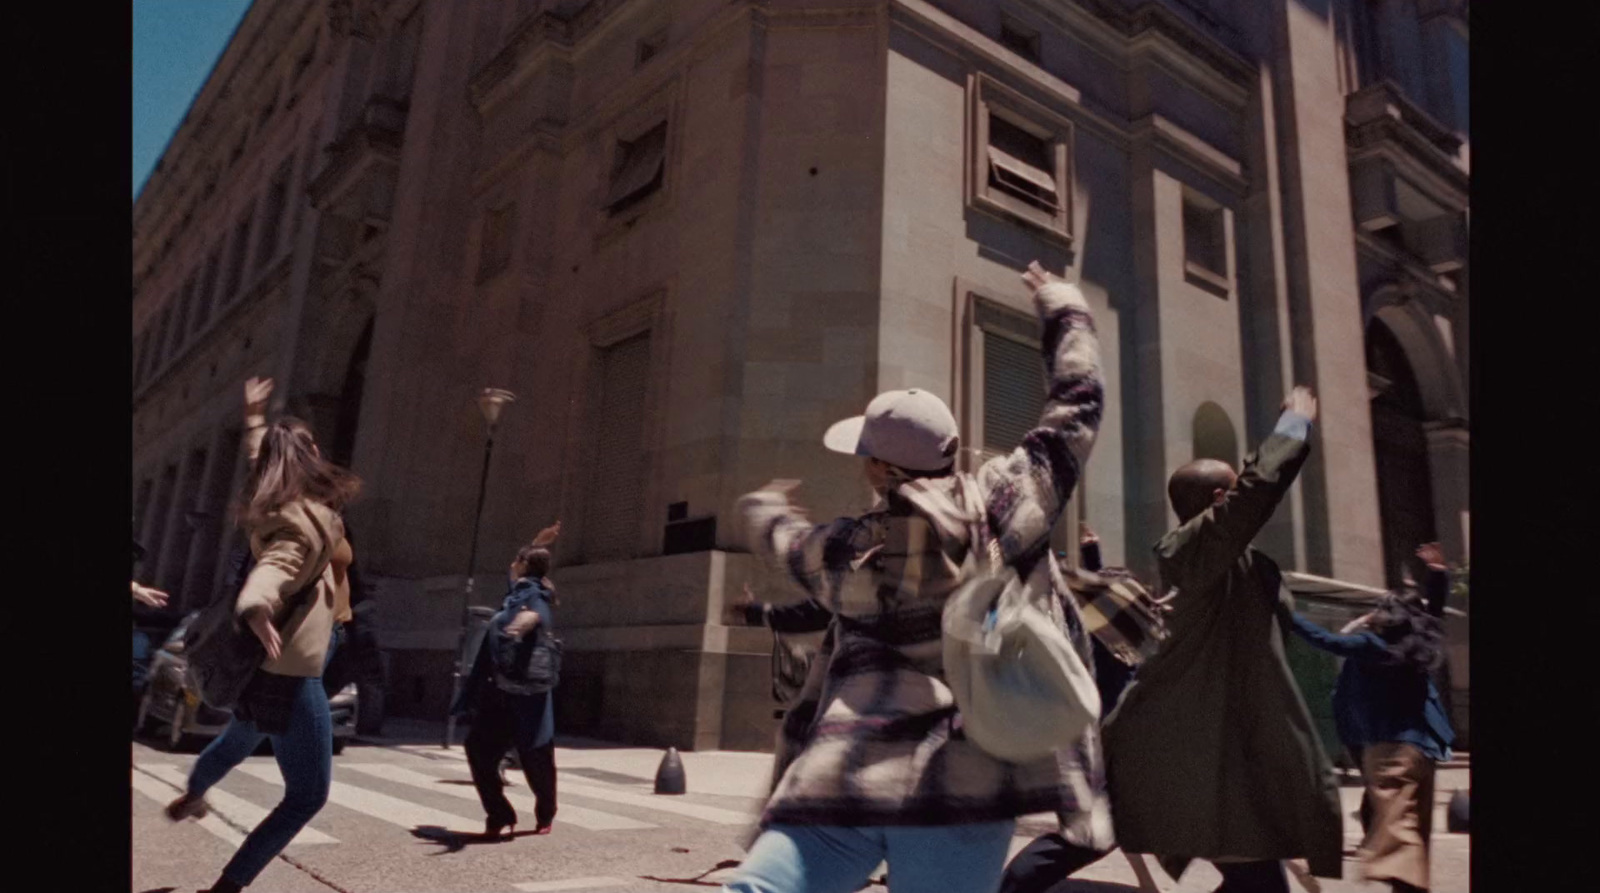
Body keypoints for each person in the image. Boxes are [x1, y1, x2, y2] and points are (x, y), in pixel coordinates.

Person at [721, 260, 1107, 893]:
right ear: (953, 450)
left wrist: (762, 510)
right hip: (965, 783)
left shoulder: (849, 547)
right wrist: (1062, 305)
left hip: (843, 777)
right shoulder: (1010, 503)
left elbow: (785, 544)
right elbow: (1079, 401)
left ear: (875, 468)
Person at [1100, 386, 1343, 893]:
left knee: (1256, 880)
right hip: (1210, 753)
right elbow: (1256, 493)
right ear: (1218, 503)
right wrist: (1293, 426)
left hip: (1236, 747)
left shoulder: (1225, 564)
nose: (1241, 508)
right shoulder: (1194, 550)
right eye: (1231, 497)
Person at [164, 377, 360, 893]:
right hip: (289, 670)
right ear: (306, 455)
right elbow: (272, 571)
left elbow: (262, 460)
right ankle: (228, 888)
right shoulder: (302, 520)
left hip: (272, 663)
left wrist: (255, 418)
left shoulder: (279, 499)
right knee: (306, 796)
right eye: (311, 445)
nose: (320, 449)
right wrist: (257, 607)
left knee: (236, 742)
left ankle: (192, 793)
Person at [1284, 544, 1454, 893]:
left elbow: (1322, 639)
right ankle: (1408, 886)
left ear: (1385, 616)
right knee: (1406, 824)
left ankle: (1400, 879)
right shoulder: (1419, 643)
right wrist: (1437, 576)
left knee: (1395, 827)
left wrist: (1283, 610)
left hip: (1390, 749)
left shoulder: (1372, 646)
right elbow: (1432, 614)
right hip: (1422, 748)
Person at [452, 522, 563, 839]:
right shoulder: (518, 590)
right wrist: (537, 542)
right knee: (478, 749)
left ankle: (546, 813)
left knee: (537, 760)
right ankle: (500, 814)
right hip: (499, 693)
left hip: (528, 696)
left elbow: (537, 613)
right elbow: (516, 575)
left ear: (525, 566)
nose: (512, 566)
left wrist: (519, 626)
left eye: (518, 561)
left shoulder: (535, 594)